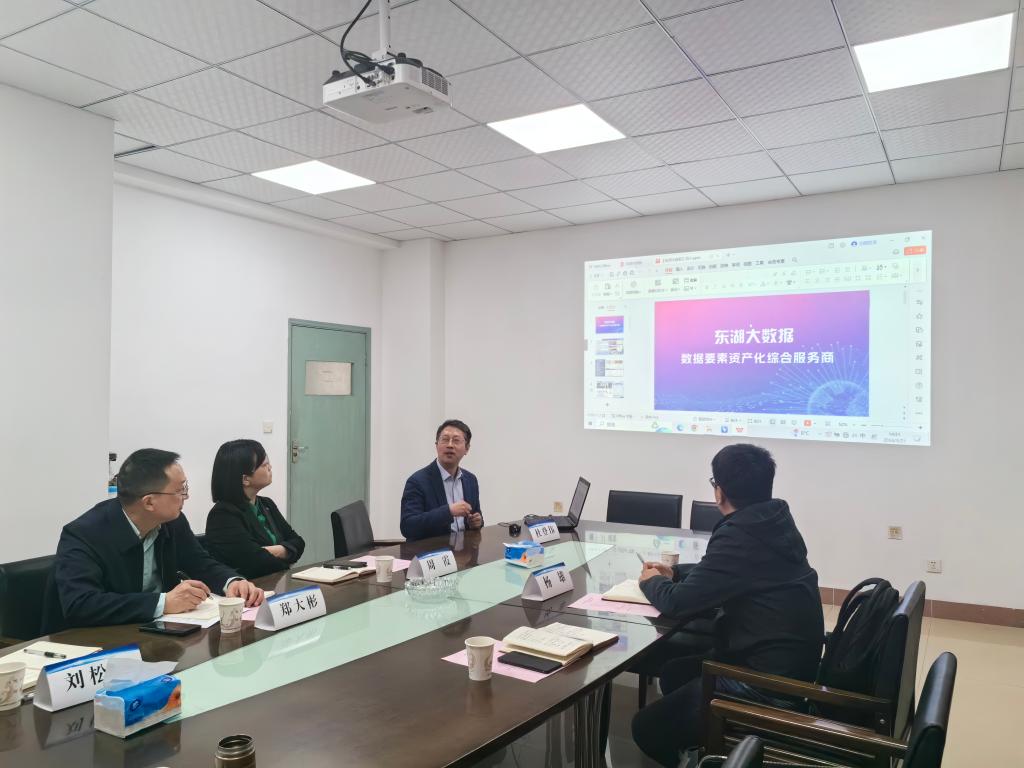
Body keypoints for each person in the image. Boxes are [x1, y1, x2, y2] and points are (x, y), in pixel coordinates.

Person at [631, 444, 824, 767]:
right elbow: (725, 571)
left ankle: (701, 748)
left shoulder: (741, 534)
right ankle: (701, 748)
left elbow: (677, 603)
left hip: (766, 686)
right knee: (676, 672)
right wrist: (676, 573)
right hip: (789, 668)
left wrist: (650, 582)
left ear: (719, 492)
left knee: (646, 728)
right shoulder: (772, 520)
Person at [45, 449, 264, 632]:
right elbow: (81, 604)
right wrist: (163, 603)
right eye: (180, 491)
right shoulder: (84, 534)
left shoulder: (172, 521)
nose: (186, 497)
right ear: (149, 502)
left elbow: (200, 562)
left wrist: (232, 582)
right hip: (95, 643)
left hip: (158, 633)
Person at [204, 439, 305, 579]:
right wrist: (287, 553)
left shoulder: (266, 504)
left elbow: (298, 542)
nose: (270, 467)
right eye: (264, 465)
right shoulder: (222, 515)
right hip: (249, 586)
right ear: (245, 479)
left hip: (275, 580)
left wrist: (274, 550)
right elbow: (255, 561)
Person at [400, 419, 483, 541]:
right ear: (436, 445)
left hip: (466, 549)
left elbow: (476, 517)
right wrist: (448, 512)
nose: (450, 445)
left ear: (466, 448)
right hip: (431, 550)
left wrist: (477, 522)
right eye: (445, 439)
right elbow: (408, 526)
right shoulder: (417, 481)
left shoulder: (470, 480)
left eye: (456, 440)